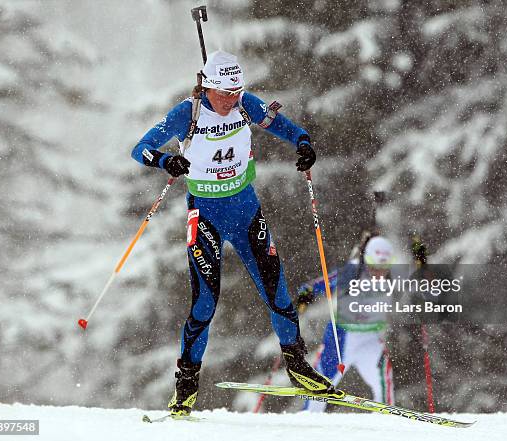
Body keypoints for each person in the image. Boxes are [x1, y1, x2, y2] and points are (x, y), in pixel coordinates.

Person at [131, 50, 341, 418]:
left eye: (237, 92)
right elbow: (140, 149)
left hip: (245, 211)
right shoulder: (188, 113)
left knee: (277, 293)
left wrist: (304, 144)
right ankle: (185, 387)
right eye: (225, 93)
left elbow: (286, 127)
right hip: (206, 215)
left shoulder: (246, 104)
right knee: (204, 304)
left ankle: (299, 368)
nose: (232, 100)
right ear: (208, 87)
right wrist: (167, 160)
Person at [297, 233, 396, 411]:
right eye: (374, 267)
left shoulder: (392, 276)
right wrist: (306, 294)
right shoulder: (351, 271)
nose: (379, 273)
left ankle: (387, 420)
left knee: (383, 378)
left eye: (384, 268)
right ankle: (308, 421)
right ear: (367, 260)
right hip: (341, 340)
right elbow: (319, 284)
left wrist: (421, 261)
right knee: (320, 388)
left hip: (370, 340)